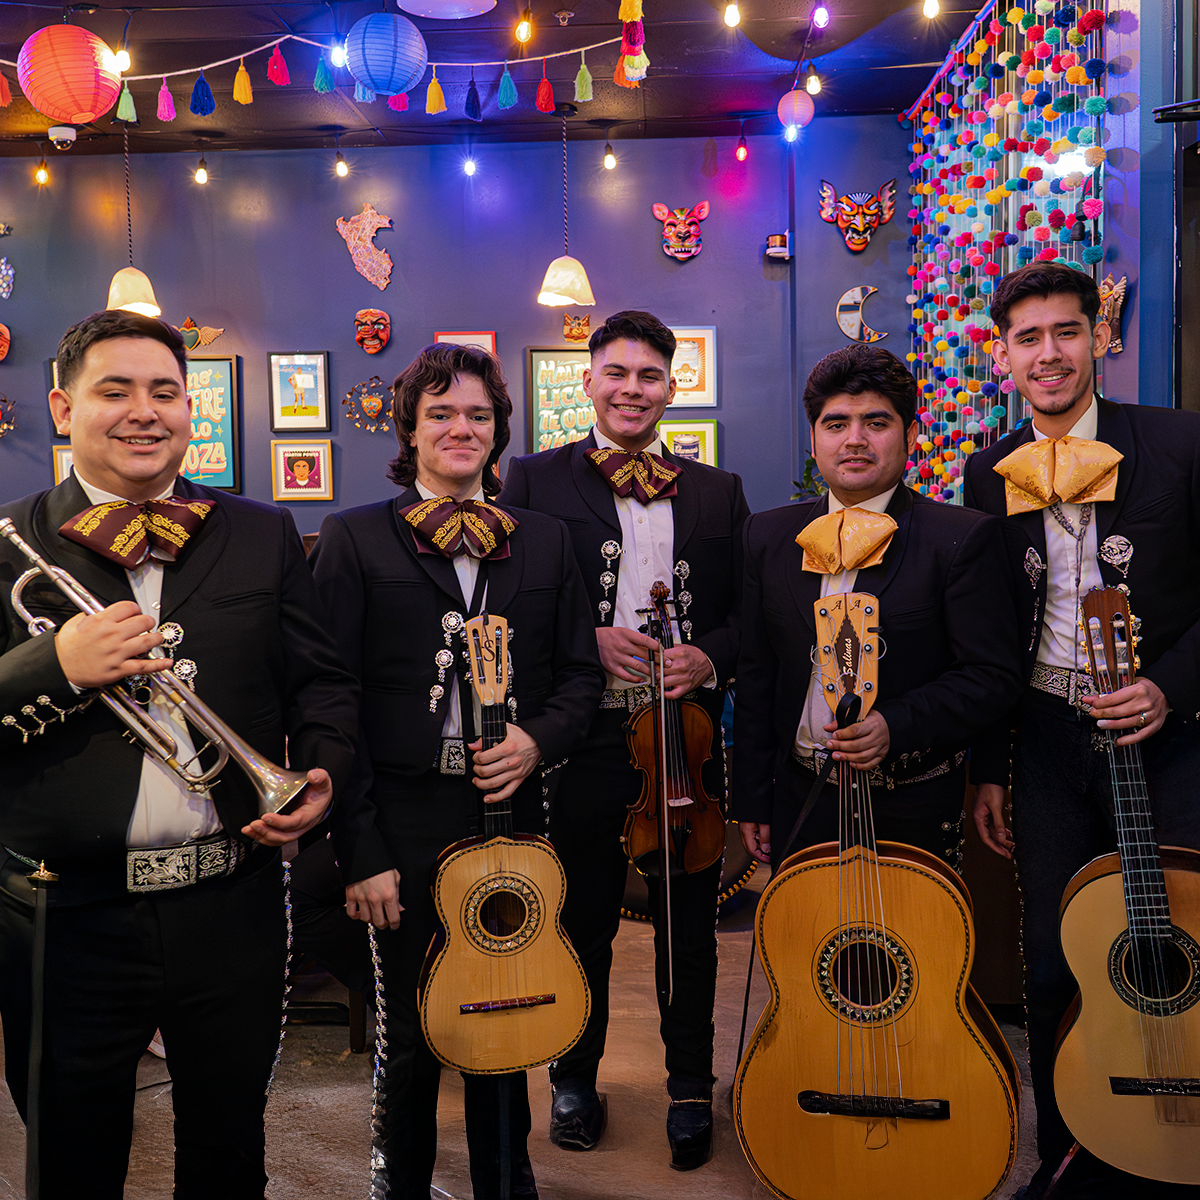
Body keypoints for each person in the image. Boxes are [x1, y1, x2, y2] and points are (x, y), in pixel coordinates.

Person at [0, 310, 358, 1199]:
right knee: (71, 1154)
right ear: (61, 407)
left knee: (230, 1146)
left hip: (227, 901)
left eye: (164, 391)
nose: (143, 411)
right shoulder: (8, 539)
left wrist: (321, 775)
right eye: (113, 391)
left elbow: (322, 685)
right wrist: (57, 663)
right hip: (62, 913)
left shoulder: (260, 531)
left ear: (189, 409)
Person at [309, 343, 602, 1200]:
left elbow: (584, 676)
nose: (460, 429)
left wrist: (538, 740)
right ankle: (399, 1183)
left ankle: (506, 1183)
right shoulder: (355, 537)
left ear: (498, 430)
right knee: (410, 1024)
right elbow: (333, 703)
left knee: (506, 1014)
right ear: (410, 430)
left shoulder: (546, 542)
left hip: (511, 811)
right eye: (440, 414)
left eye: (477, 414)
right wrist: (359, 847)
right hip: (399, 814)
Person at [965, 262, 1200, 1199]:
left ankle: (1178, 1146)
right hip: (1049, 741)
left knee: (1181, 939)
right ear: (1002, 356)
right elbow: (985, 636)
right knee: (1056, 956)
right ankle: (1069, 1156)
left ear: (1100, 339)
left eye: (1066, 332)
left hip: (1172, 736)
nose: (1049, 354)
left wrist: (1168, 691)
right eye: (1028, 338)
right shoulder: (987, 472)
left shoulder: (1181, 444)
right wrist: (990, 767)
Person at [499, 310, 749, 1170]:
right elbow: (509, 602)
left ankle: (689, 1087)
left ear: (671, 388)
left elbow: (751, 618)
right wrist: (587, 636)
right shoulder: (528, 478)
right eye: (617, 374)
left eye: (650, 376)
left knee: (687, 925)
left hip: (686, 743)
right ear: (590, 383)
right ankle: (573, 1077)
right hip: (583, 738)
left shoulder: (718, 490)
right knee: (582, 919)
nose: (632, 389)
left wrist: (707, 655)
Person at [733, 344, 1022, 875]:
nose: (855, 440)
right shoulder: (768, 535)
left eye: (876, 422)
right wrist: (752, 798)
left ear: (911, 435)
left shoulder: (960, 539)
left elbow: (991, 676)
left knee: (911, 956)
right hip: (801, 797)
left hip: (912, 801)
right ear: (814, 437)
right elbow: (758, 674)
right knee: (808, 954)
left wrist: (896, 723)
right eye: (836, 423)